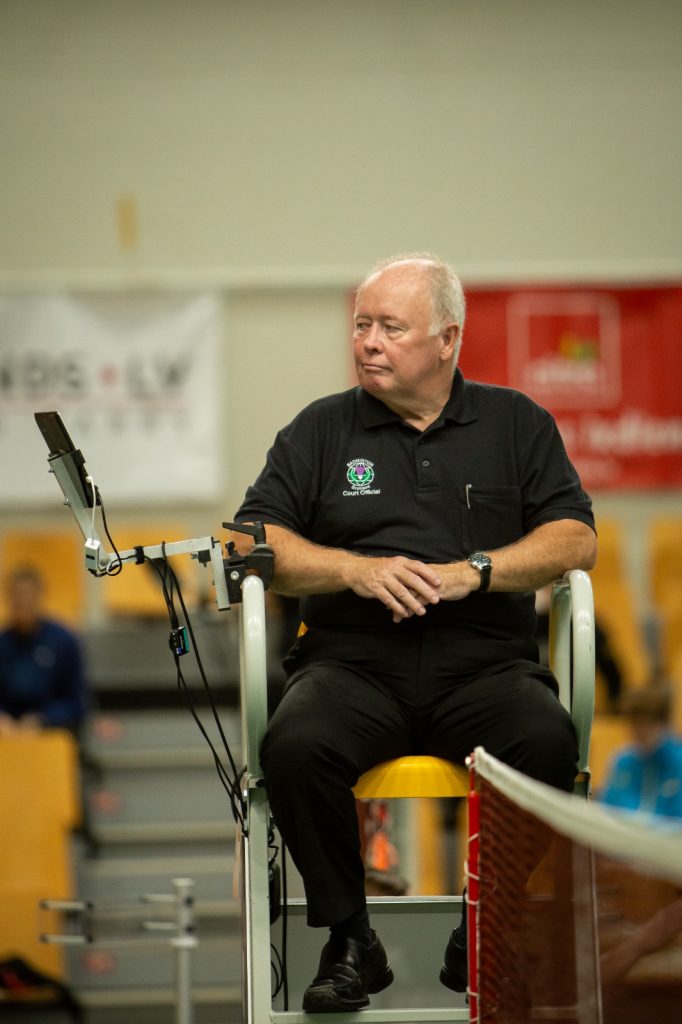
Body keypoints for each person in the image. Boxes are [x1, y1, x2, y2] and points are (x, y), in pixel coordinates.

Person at [233, 252, 597, 1012]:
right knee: (293, 746)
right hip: (354, 668)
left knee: (548, 740)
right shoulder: (321, 429)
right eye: (361, 324)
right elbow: (248, 542)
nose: (368, 342)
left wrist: (477, 571)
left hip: (485, 669)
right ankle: (350, 941)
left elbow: (575, 539)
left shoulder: (516, 423)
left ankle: (484, 922)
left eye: (391, 328)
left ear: (447, 339)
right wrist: (352, 569)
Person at [0, 565, 88, 736]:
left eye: (27, 595)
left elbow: (77, 703)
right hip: (7, 735)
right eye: (17, 595)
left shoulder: (64, 641)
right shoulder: (2, 643)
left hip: (51, 732)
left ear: (39, 596)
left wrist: (43, 719)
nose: (23, 601)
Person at [600, 684, 682, 818]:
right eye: (634, 724)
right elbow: (607, 809)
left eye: (645, 725)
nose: (638, 732)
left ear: (663, 724)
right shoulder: (623, 761)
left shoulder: (678, 762)